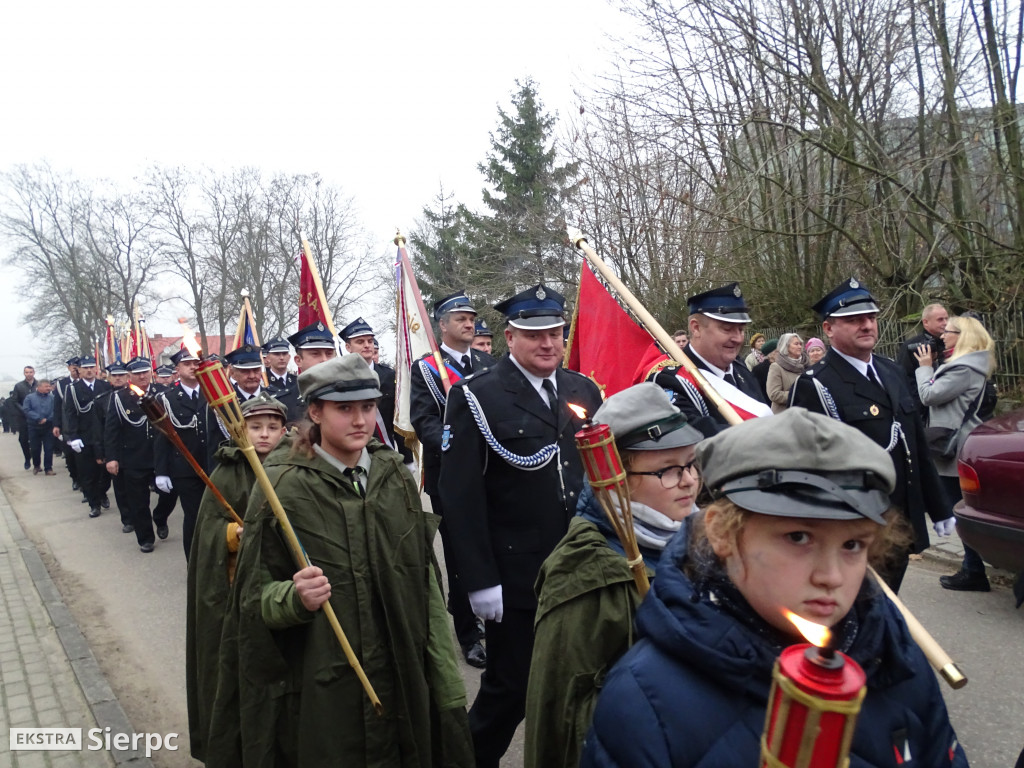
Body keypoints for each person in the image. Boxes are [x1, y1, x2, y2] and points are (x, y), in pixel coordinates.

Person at [582, 408, 968, 768]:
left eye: (853, 544)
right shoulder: (646, 701)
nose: (831, 576)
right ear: (721, 532)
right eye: (798, 537)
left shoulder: (897, 659)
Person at [215, 354, 473, 768]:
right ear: (315, 412)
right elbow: (251, 601)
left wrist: (443, 678)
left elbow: (423, 580)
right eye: (344, 409)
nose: (359, 420)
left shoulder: (392, 474)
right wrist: (294, 597)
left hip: (401, 667)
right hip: (323, 683)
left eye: (368, 407)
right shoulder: (282, 486)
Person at [439, 283, 602, 768]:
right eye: (535, 334)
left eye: (555, 332)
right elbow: (460, 497)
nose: (548, 343)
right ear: (510, 337)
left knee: (583, 682)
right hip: (517, 574)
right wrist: (479, 579)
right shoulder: (476, 396)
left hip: (585, 565)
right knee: (510, 689)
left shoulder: (582, 390)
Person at [524, 383, 703, 768]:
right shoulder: (588, 573)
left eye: (691, 464)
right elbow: (563, 717)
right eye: (669, 470)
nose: (688, 480)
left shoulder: (703, 541)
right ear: (618, 475)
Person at [790, 278, 952, 591]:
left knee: (888, 606)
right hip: (855, 527)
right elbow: (807, 466)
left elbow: (915, 443)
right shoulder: (816, 384)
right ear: (829, 329)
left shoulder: (890, 370)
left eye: (871, 318)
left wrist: (939, 506)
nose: (866, 326)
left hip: (901, 521)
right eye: (854, 320)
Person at [186, 392, 288, 763]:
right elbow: (208, 533)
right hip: (234, 590)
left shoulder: (293, 466)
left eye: (272, 427)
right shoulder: (226, 472)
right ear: (239, 430)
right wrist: (234, 534)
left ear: (284, 430)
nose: (264, 435)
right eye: (255, 427)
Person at [410, 291, 496, 669]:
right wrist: (453, 445)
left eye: (471, 317)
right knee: (462, 554)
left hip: (492, 471)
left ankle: (496, 621)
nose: (468, 322)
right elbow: (424, 419)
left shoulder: (489, 363)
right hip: (450, 476)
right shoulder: (426, 368)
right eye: (459, 317)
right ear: (442, 325)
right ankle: (468, 632)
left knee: (493, 547)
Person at [914, 315, 995, 592]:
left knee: (958, 510)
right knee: (960, 508)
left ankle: (974, 571)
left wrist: (924, 368)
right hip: (959, 442)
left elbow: (929, 395)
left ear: (962, 336)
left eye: (948, 332)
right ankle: (973, 568)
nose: (943, 336)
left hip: (955, 446)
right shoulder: (968, 365)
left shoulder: (964, 368)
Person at [647, 284, 771, 438]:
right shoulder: (670, 380)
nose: (738, 338)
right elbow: (693, 439)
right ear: (696, 328)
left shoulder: (741, 370)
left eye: (741, 329)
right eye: (727, 329)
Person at [154, 347, 216, 558]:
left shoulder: (213, 393)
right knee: (194, 515)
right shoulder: (167, 399)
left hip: (214, 464)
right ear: (177, 369)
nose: (193, 367)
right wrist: (161, 471)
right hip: (186, 469)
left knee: (215, 515)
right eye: (187, 364)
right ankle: (194, 560)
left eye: (196, 363)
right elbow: (162, 437)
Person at [340, 317, 413, 464]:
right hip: (354, 452)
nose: (367, 345)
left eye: (370, 341)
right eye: (360, 342)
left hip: (386, 450)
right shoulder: (341, 377)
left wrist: (408, 458)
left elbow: (399, 418)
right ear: (348, 347)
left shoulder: (389, 375)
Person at [63, 356, 112, 518]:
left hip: (104, 437)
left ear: (96, 369)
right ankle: (94, 503)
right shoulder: (72, 389)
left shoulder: (105, 386)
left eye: (92, 367)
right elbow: (70, 414)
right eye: (85, 368)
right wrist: (73, 436)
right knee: (87, 473)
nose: (89, 370)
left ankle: (102, 493)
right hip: (84, 437)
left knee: (105, 473)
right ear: (80, 370)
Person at [276, 321, 338, 423]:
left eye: (329, 353)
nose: (324, 360)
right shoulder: (282, 403)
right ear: (298, 360)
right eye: (315, 354)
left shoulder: (348, 395)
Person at [898, 303, 948, 417]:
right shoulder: (911, 347)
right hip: (922, 408)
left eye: (946, 318)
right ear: (926, 322)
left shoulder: (951, 343)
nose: (945, 323)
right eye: (940, 320)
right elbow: (904, 379)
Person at [766, 332, 807, 413]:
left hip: (804, 413)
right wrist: (798, 394)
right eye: (796, 344)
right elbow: (774, 394)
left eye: (800, 344)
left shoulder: (806, 364)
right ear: (786, 346)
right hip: (785, 415)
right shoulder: (776, 367)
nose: (799, 347)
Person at [22, 379, 57, 475]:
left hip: (48, 427)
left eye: (49, 386)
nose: (48, 388)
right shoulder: (30, 398)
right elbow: (26, 410)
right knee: (35, 448)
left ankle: (48, 468)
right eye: (46, 386)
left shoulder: (52, 398)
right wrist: (38, 418)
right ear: (39, 387)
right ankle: (36, 466)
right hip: (34, 427)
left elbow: (55, 410)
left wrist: (47, 419)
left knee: (49, 448)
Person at [13, 365, 38, 469]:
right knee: (23, 439)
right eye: (27, 372)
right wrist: (24, 410)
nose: (29, 374)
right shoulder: (19, 386)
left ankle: (36, 462)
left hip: (37, 416)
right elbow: (14, 401)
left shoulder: (39, 384)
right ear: (24, 373)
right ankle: (27, 458)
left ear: (34, 373)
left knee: (35, 440)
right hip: (23, 417)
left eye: (30, 372)